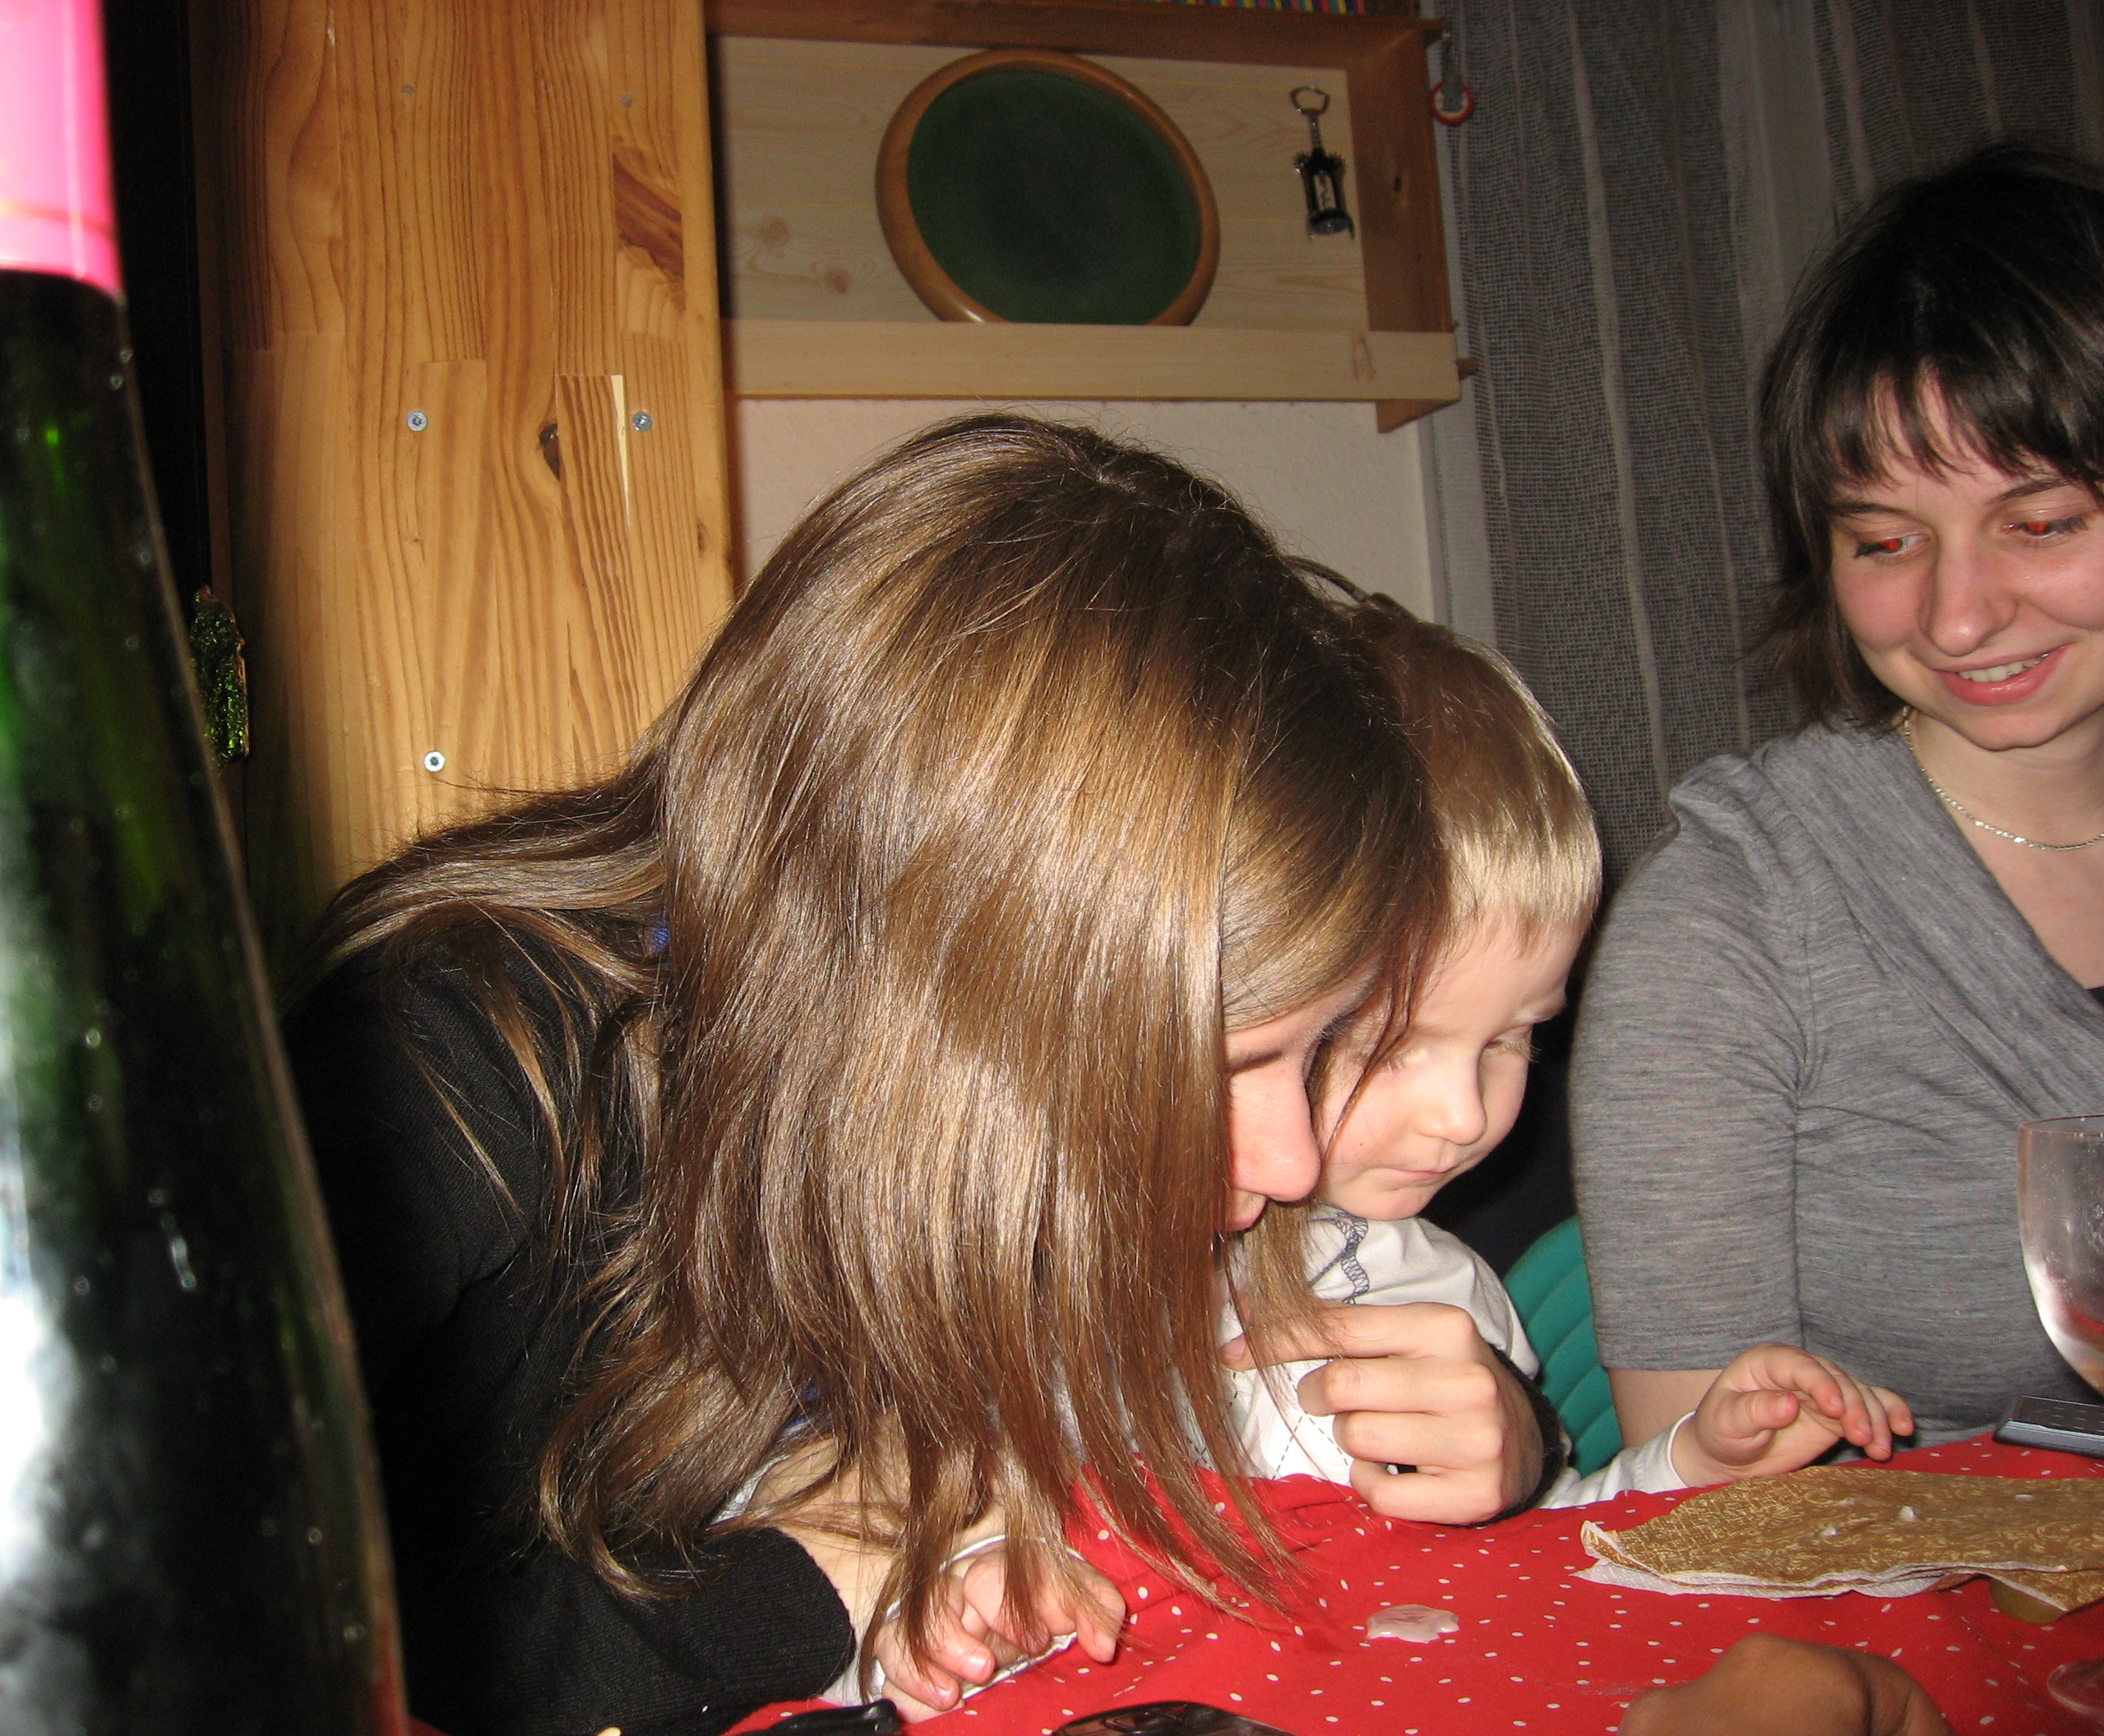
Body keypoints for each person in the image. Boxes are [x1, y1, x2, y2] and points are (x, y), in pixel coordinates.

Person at [283, 414, 1552, 1736]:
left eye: (1320, 1050)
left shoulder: (986, 1145)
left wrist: (1510, 1430)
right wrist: (797, 1583)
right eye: (1232, 1061)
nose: (1294, 1163)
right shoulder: (446, 1066)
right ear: (959, 994)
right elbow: (250, 1644)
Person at [1571, 141, 2104, 1457]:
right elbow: (1698, 1496)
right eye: (1885, 541)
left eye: (2040, 523)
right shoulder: (1734, 914)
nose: (1958, 615)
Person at [1223, 598, 1912, 1503]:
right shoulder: (1067, 1286)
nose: (1463, 1115)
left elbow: (1541, 1547)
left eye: (1513, 1038)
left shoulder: (1440, 1296)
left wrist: (1685, 1469)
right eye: (1386, 1044)